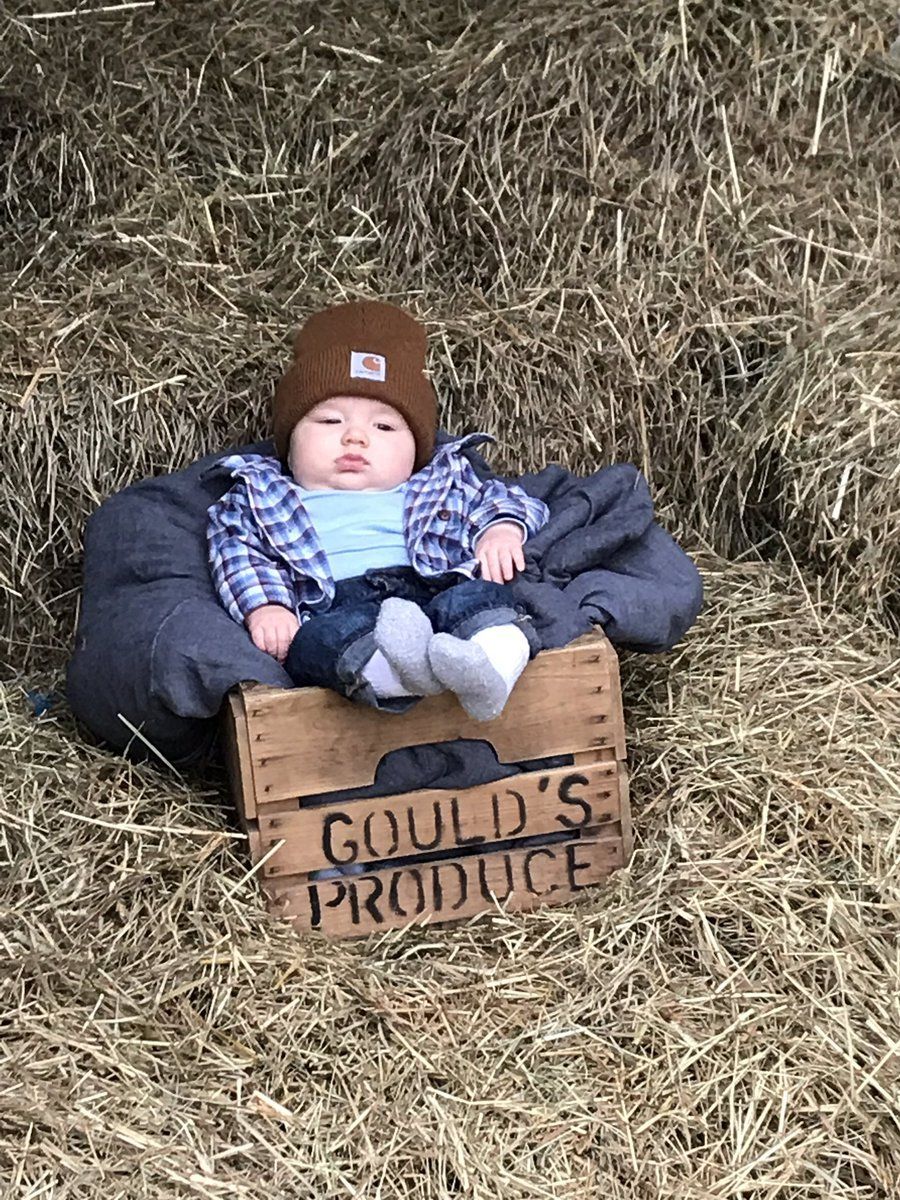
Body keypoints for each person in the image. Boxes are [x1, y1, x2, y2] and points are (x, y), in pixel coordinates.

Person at [207, 300, 549, 722]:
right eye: (330, 422)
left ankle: (489, 668)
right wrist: (267, 607)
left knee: (483, 599)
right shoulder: (261, 494)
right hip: (338, 603)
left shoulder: (440, 479)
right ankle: (399, 675)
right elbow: (238, 552)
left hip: (434, 586)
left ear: (417, 451)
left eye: (384, 427)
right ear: (289, 444)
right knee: (317, 641)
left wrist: (501, 530)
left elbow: (503, 498)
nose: (355, 438)